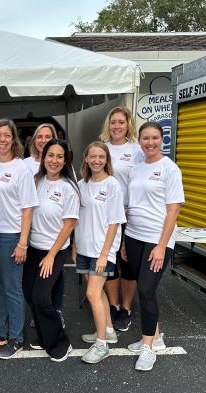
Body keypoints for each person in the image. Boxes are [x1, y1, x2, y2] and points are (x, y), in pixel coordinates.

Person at [123, 121, 184, 371]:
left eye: (155, 138)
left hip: (157, 239)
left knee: (147, 290)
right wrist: (126, 239)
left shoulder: (170, 169)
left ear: (162, 140)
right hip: (134, 236)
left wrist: (161, 245)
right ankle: (155, 336)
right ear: (139, 141)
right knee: (142, 286)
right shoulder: (135, 169)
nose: (150, 143)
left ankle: (148, 348)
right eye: (145, 138)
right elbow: (130, 205)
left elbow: (173, 210)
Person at [0, 119, 38, 359]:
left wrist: (22, 242)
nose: (2, 139)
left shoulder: (20, 168)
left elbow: (27, 208)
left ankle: (16, 337)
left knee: (12, 287)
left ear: (14, 139)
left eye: (6, 135)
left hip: (11, 235)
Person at [23, 139, 80, 362]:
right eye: (50, 155)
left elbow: (69, 225)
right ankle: (46, 335)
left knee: (40, 296)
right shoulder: (35, 181)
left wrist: (51, 255)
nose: (54, 160)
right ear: (43, 157)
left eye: (59, 156)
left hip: (54, 250)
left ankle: (60, 341)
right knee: (29, 293)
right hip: (33, 247)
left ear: (65, 161)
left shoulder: (68, 188)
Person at [74, 142, 126, 364]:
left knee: (93, 294)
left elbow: (115, 222)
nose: (97, 160)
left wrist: (105, 254)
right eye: (92, 156)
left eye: (101, 157)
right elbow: (76, 219)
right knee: (98, 291)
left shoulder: (112, 184)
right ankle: (108, 329)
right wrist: (75, 247)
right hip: (85, 248)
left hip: (102, 250)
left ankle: (102, 344)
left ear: (107, 160)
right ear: (85, 158)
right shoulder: (81, 184)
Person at [100, 107, 145, 332]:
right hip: (106, 215)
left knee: (128, 265)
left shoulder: (137, 150)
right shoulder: (103, 149)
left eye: (121, 122)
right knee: (110, 261)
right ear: (108, 125)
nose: (116, 126)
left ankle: (126, 308)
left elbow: (141, 182)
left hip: (129, 214)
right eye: (113, 122)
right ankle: (113, 305)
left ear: (128, 125)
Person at [24, 123, 65, 328]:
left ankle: (55, 311)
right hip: (33, 236)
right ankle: (41, 315)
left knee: (54, 278)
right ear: (34, 140)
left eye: (47, 136)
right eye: (39, 136)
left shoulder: (61, 167)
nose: (43, 140)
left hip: (54, 237)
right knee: (34, 285)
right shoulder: (26, 164)